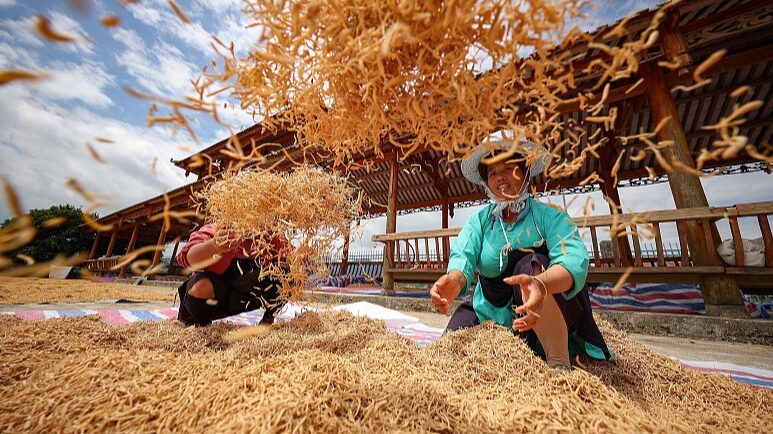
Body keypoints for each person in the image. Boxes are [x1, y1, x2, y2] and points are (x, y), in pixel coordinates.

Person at [430, 137, 613, 369]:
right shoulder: (480, 221)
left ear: (525, 172)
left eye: (508, 168)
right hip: (492, 309)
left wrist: (541, 284)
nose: (500, 177)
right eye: (493, 173)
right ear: (487, 182)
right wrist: (455, 280)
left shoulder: (549, 216)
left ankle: (558, 362)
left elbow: (573, 259)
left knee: (531, 263)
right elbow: (463, 254)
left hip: (544, 310)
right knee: (447, 351)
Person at [175, 223, 287, 326]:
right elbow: (190, 258)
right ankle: (203, 325)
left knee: (289, 272)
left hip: (249, 297)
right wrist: (214, 245)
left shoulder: (270, 236)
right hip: (218, 297)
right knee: (201, 285)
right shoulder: (217, 229)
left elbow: (292, 261)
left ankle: (267, 321)